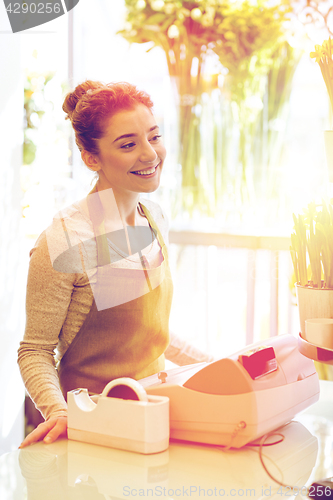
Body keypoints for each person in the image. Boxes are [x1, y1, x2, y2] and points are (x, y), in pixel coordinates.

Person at [18, 81, 213, 448]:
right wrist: (58, 412)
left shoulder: (153, 218)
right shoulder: (64, 239)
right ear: (92, 158)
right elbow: (34, 350)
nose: (150, 154)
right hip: (90, 430)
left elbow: (151, 339)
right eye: (128, 145)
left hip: (153, 416)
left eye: (153, 137)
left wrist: (218, 364)